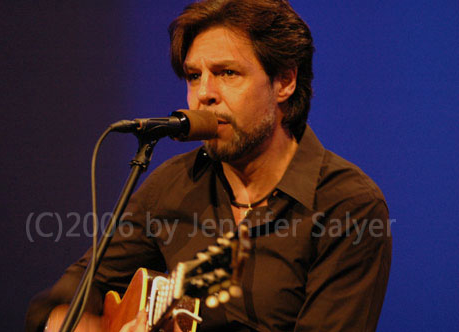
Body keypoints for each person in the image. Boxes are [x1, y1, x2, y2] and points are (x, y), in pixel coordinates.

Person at [25, 0, 392, 331]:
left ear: (285, 81)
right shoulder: (174, 184)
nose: (204, 94)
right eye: (194, 75)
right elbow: (69, 295)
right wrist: (66, 320)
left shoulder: (348, 206)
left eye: (227, 73)